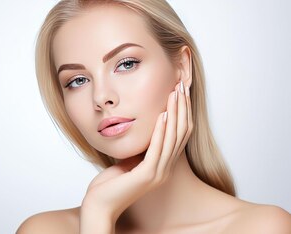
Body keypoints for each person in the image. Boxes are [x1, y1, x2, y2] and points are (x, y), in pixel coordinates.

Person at [16, 0, 291, 233]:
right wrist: (99, 215)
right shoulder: (44, 229)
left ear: (182, 66)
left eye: (126, 64)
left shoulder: (263, 227)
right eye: (77, 80)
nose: (101, 97)